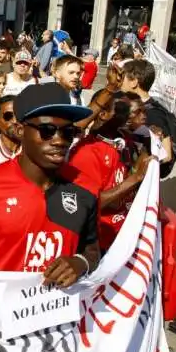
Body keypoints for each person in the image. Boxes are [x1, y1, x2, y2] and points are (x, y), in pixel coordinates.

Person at [0, 83, 101, 286]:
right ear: (20, 130)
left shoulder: (86, 187)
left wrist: (80, 262)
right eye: (47, 130)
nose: (59, 141)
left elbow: (91, 249)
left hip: (58, 313)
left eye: (68, 132)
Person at [64, 91, 154, 252]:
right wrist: (135, 178)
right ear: (103, 114)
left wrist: (149, 148)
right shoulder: (87, 153)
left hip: (124, 235)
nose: (128, 115)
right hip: (100, 245)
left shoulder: (124, 142)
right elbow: (89, 204)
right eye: (121, 110)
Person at [120, 59, 176, 177]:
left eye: (123, 77)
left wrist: (144, 165)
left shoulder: (154, 114)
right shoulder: (128, 104)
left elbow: (167, 155)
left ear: (134, 82)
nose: (120, 81)